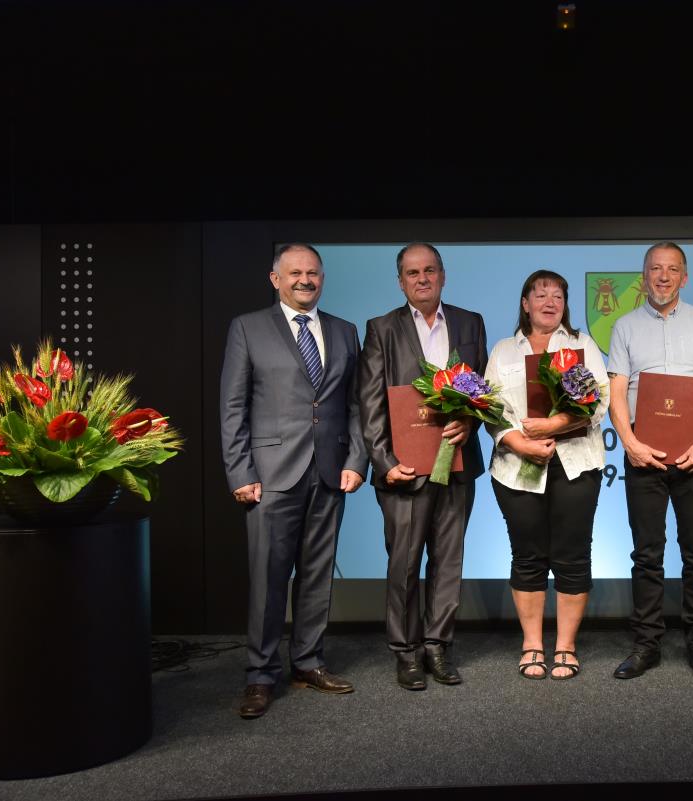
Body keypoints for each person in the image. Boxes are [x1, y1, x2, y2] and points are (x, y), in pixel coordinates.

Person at [220, 243, 368, 719]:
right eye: (295, 273)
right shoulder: (247, 328)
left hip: (330, 471)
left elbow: (356, 405)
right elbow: (233, 406)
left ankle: (307, 662)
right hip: (270, 477)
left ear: (322, 278)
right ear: (275, 279)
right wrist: (240, 470)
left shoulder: (344, 331)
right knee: (268, 579)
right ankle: (261, 675)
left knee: (317, 575)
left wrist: (357, 460)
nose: (305, 280)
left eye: (313, 273)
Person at [358, 242, 488, 690]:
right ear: (401, 282)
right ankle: (406, 652)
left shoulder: (470, 322)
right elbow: (370, 402)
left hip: (456, 463)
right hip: (404, 469)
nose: (422, 279)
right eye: (412, 273)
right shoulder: (381, 328)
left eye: (430, 270)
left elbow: (480, 388)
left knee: (449, 561)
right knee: (405, 563)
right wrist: (384, 461)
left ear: (443, 275)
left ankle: (438, 647)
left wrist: (469, 423)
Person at [607, 242, 693, 682]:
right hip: (643, 453)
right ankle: (646, 645)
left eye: (672, 269)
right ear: (644, 277)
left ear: (684, 277)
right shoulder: (624, 326)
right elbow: (616, 391)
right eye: (655, 269)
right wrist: (630, 444)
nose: (663, 276)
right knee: (646, 555)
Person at [484, 270, 608, 680]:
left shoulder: (582, 344)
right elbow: (490, 407)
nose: (549, 302)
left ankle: (566, 647)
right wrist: (519, 443)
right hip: (516, 468)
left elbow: (600, 401)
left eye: (557, 295)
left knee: (573, 555)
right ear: (525, 304)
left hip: (575, 464)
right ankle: (533, 645)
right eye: (540, 295)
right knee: (527, 556)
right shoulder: (504, 349)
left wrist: (553, 426)